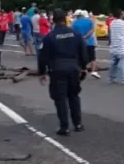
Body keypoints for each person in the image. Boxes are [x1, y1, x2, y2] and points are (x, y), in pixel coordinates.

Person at [38, 8, 88, 136]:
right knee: (74, 96)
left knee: (60, 99)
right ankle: (78, 124)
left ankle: (64, 127)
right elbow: (83, 52)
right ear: (65, 19)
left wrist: (42, 72)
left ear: (53, 20)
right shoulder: (75, 34)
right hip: (73, 68)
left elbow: (43, 56)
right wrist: (83, 67)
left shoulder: (50, 37)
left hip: (57, 69)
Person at [72, 10, 101, 79]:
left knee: (80, 57)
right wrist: (86, 36)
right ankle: (93, 71)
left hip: (79, 43)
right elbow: (92, 30)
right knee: (92, 58)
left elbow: (73, 33)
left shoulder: (74, 23)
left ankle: (82, 70)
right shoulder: (89, 21)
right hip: (90, 42)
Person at [108, 10, 124, 85]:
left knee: (114, 64)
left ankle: (111, 78)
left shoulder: (112, 23)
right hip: (122, 46)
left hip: (114, 46)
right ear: (121, 15)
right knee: (123, 64)